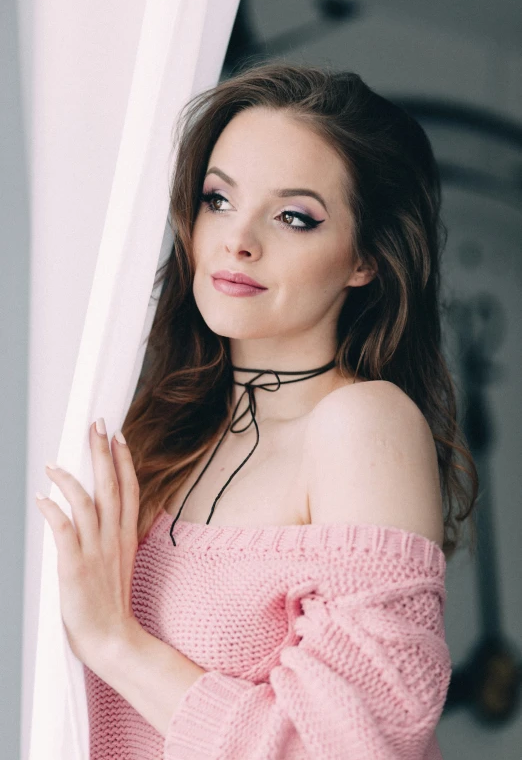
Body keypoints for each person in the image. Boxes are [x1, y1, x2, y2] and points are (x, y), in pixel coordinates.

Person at [67, 61, 479, 758]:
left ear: (365, 259)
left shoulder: (361, 422)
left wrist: (117, 643)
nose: (239, 238)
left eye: (294, 216)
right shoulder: (157, 427)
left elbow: (354, 748)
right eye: (218, 199)